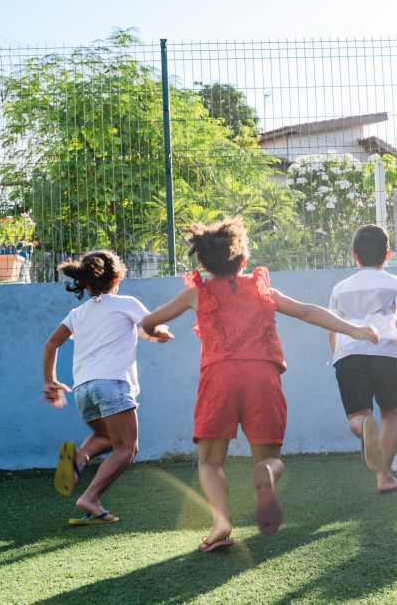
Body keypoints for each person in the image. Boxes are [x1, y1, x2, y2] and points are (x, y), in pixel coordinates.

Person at [141, 217, 379, 552]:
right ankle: (266, 473)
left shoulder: (197, 293)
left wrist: (157, 333)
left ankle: (221, 521)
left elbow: (148, 321)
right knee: (269, 457)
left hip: (219, 378)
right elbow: (308, 311)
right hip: (262, 378)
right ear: (243, 260)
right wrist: (353, 329)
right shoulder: (262, 289)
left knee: (210, 461)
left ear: (203, 262)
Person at [42, 250, 172, 525]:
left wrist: (50, 382)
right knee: (127, 448)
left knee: (109, 439)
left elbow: (51, 344)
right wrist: (159, 333)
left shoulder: (78, 313)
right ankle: (90, 497)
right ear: (117, 278)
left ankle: (79, 455)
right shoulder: (126, 302)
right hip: (113, 384)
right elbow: (150, 325)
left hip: (83, 390)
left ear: (86, 284)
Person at [328, 224, 397, 494]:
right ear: (387, 255)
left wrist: (337, 355)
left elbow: (333, 326)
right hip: (384, 352)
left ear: (353, 256)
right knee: (391, 413)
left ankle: (364, 426)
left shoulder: (340, 288)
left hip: (348, 355)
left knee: (357, 415)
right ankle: (384, 477)